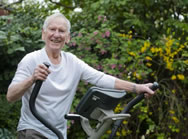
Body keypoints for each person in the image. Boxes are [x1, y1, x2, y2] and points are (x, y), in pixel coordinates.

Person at [6, 13, 156, 139]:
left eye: (61, 31)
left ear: (68, 37)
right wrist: (32, 79)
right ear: (43, 34)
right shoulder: (31, 60)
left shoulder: (72, 62)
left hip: (57, 133)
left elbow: (101, 78)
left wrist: (137, 88)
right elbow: (11, 96)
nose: (56, 34)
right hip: (32, 130)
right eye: (52, 29)